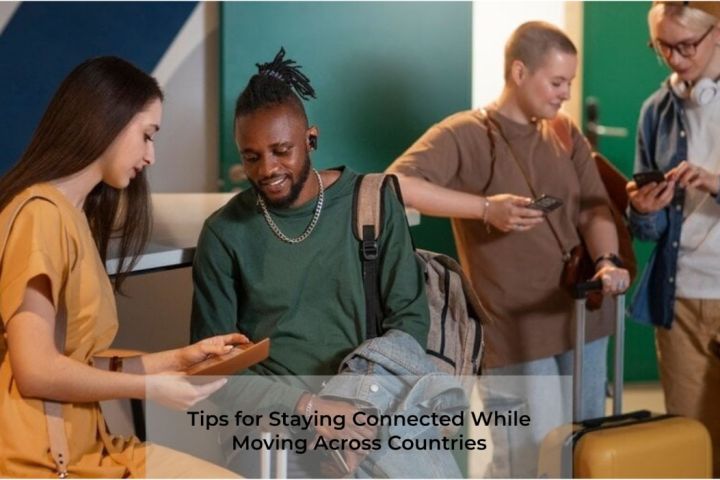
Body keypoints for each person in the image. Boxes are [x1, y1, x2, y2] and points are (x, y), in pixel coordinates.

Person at [387, 22, 630, 477]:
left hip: (581, 317)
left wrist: (607, 260)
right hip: (514, 328)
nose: (565, 93)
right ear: (520, 72)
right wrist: (484, 208)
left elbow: (595, 209)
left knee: (585, 447)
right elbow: (396, 185)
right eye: (557, 82)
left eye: (570, 83)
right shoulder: (465, 133)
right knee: (526, 457)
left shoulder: (563, 132)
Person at [0, 56, 246, 478]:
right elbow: (36, 369)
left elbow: (78, 363)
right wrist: (151, 388)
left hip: (95, 449)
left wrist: (179, 360)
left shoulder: (69, 216)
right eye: (147, 135)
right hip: (43, 460)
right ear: (107, 121)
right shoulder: (41, 215)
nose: (150, 156)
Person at [190, 48, 430, 477]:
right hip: (275, 427)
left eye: (282, 150)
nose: (268, 169)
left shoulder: (372, 202)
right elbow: (213, 370)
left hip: (374, 408)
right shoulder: (224, 234)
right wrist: (309, 408)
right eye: (252, 156)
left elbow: (410, 322)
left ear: (311, 140)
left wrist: (358, 412)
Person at [628, 1, 720, 474]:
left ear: (718, 33)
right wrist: (643, 211)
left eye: (685, 45)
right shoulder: (655, 112)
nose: (674, 59)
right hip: (678, 294)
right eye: (663, 46)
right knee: (689, 440)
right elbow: (650, 231)